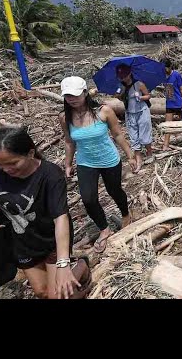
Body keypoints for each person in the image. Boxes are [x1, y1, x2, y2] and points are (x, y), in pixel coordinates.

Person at [0, 128, 91, 299]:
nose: (6, 169)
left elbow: (61, 218)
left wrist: (63, 264)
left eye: (13, 163)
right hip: (23, 241)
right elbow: (0, 191)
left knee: (57, 296)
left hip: (52, 240)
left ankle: (81, 266)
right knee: (42, 292)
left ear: (30, 153)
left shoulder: (50, 175)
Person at [60, 76, 137, 254]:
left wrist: (130, 156)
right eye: (67, 95)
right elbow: (69, 141)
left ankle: (126, 214)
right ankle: (104, 228)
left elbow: (117, 135)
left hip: (109, 160)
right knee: (88, 198)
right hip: (86, 162)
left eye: (75, 95)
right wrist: (68, 163)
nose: (71, 99)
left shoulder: (104, 111)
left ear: (85, 93)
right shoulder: (65, 117)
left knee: (114, 190)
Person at [113, 64, 152, 167]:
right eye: (121, 77)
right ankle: (138, 158)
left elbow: (148, 95)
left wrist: (141, 97)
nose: (123, 78)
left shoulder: (138, 84)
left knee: (144, 133)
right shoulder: (121, 86)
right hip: (130, 113)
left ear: (129, 73)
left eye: (125, 75)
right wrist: (120, 95)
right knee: (133, 135)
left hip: (142, 111)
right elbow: (118, 96)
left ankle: (149, 152)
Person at [162, 58, 182, 150]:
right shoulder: (163, 76)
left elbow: (181, 89)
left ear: (170, 67)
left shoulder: (176, 75)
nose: (165, 71)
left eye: (166, 69)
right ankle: (165, 145)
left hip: (178, 103)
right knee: (168, 125)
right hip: (169, 104)